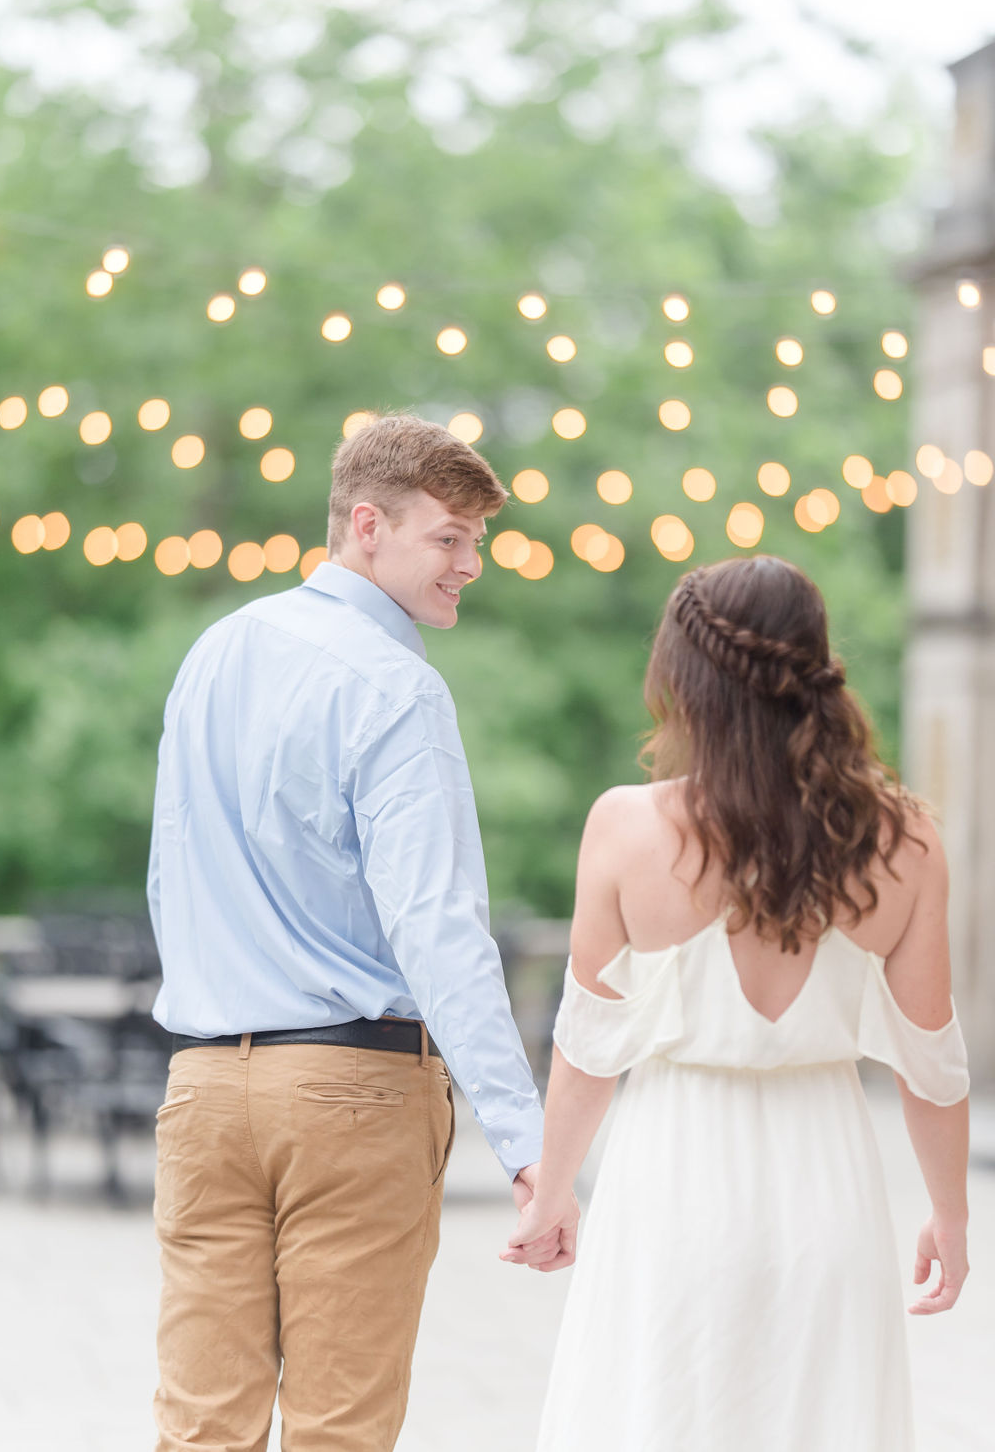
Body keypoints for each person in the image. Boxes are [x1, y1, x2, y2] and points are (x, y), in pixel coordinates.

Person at [147, 413, 573, 1452]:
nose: (470, 564)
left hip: (203, 1090)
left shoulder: (216, 650)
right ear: (367, 524)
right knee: (340, 1432)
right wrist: (529, 1140)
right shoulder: (396, 686)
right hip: (353, 1090)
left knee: (200, 1429)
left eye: (477, 540)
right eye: (449, 537)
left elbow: (171, 871)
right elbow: (436, 927)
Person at [503, 555, 970, 1452]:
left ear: (684, 676)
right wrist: (950, 1215)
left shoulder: (625, 827)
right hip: (826, 1184)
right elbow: (933, 1063)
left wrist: (553, 1191)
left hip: (672, 1181)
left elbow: (588, 1046)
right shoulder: (905, 839)